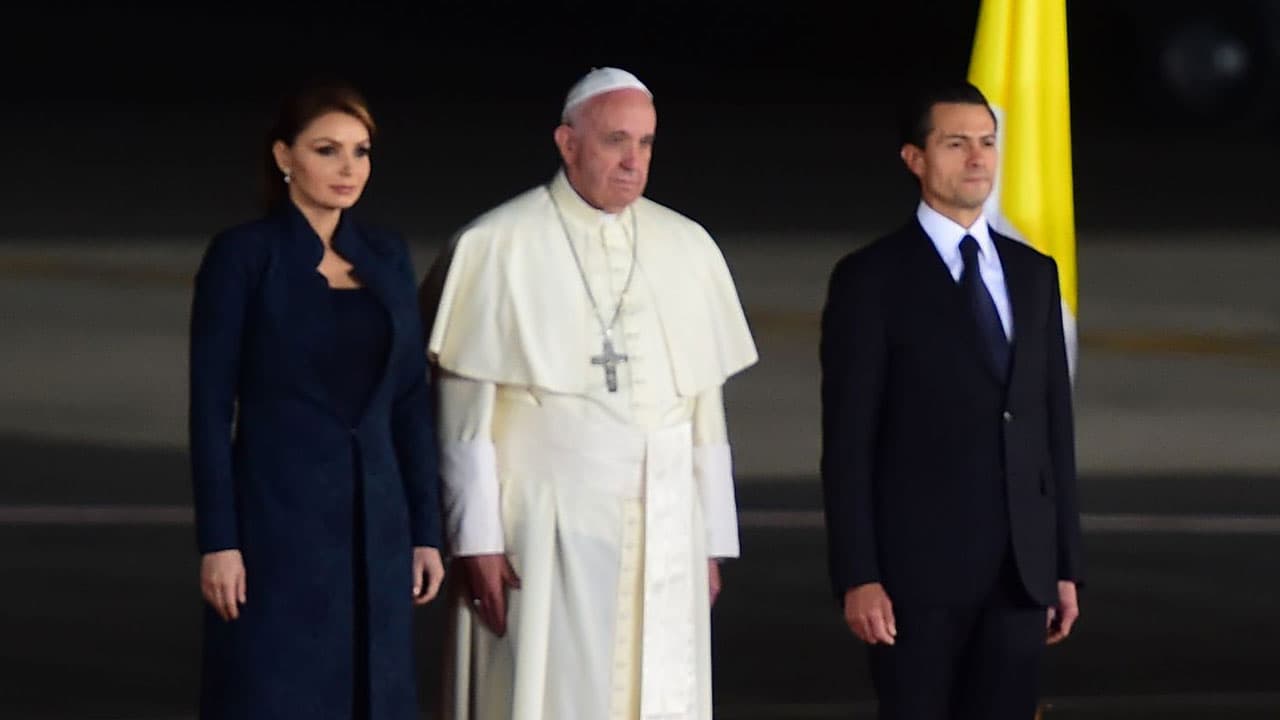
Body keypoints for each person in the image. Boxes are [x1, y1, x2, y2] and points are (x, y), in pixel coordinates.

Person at [422, 67, 757, 720]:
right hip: (542, 527)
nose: (635, 162)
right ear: (567, 143)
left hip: (665, 522)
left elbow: (703, 411)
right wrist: (477, 541)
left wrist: (709, 540)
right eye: (616, 141)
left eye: (647, 143)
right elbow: (464, 419)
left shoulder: (687, 246)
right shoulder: (496, 244)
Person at [819, 80, 1085, 720]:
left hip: (1020, 575)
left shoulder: (1033, 273)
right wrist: (860, 574)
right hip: (916, 580)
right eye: (956, 143)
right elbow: (849, 441)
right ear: (915, 159)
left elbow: (1052, 427)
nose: (977, 159)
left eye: (988, 143)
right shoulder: (872, 279)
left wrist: (1064, 564)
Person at [189, 81, 445, 720]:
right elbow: (210, 408)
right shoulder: (244, 257)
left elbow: (410, 402)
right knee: (274, 696)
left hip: (376, 534)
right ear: (284, 157)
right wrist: (220, 542)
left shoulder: (386, 255)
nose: (348, 168)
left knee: (374, 696)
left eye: (360, 152)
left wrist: (423, 532)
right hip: (277, 532)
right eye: (327, 150)